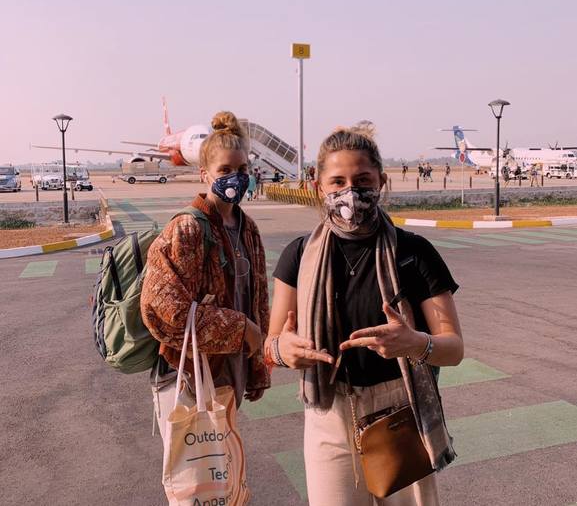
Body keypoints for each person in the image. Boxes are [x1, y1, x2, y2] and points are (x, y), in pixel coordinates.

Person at [266, 123, 463, 506]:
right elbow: (271, 345)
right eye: (337, 182)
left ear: (381, 182)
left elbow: (453, 348)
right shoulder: (299, 255)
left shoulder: (414, 253)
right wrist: (282, 350)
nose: (350, 193)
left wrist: (416, 343)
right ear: (318, 186)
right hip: (328, 413)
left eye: (362, 180)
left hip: (399, 410)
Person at [141, 111, 271, 435]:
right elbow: (164, 310)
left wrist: (257, 368)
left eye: (242, 170)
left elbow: (258, 301)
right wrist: (239, 328)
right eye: (225, 170)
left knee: (224, 462)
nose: (235, 178)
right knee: (195, 465)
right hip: (188, 374)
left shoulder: (248, 229)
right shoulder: (187, 229)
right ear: (205, 174)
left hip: (231, 369)